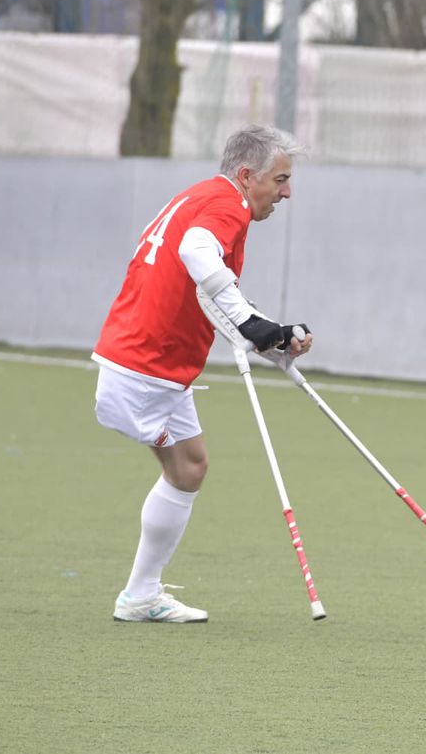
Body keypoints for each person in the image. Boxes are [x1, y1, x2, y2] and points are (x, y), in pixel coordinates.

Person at [92, 124, 313, 623]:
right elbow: (195, 251)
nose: (287, 193)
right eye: (280, 180)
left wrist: (271, 336)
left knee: (190, 467)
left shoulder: (204, 196)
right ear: (246, 176)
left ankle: (141, 595)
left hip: (150, 361)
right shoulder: (227, 206)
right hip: (146, 365)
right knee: (186, 467)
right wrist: (253, 325)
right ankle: (140, 594)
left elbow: (213, 293)